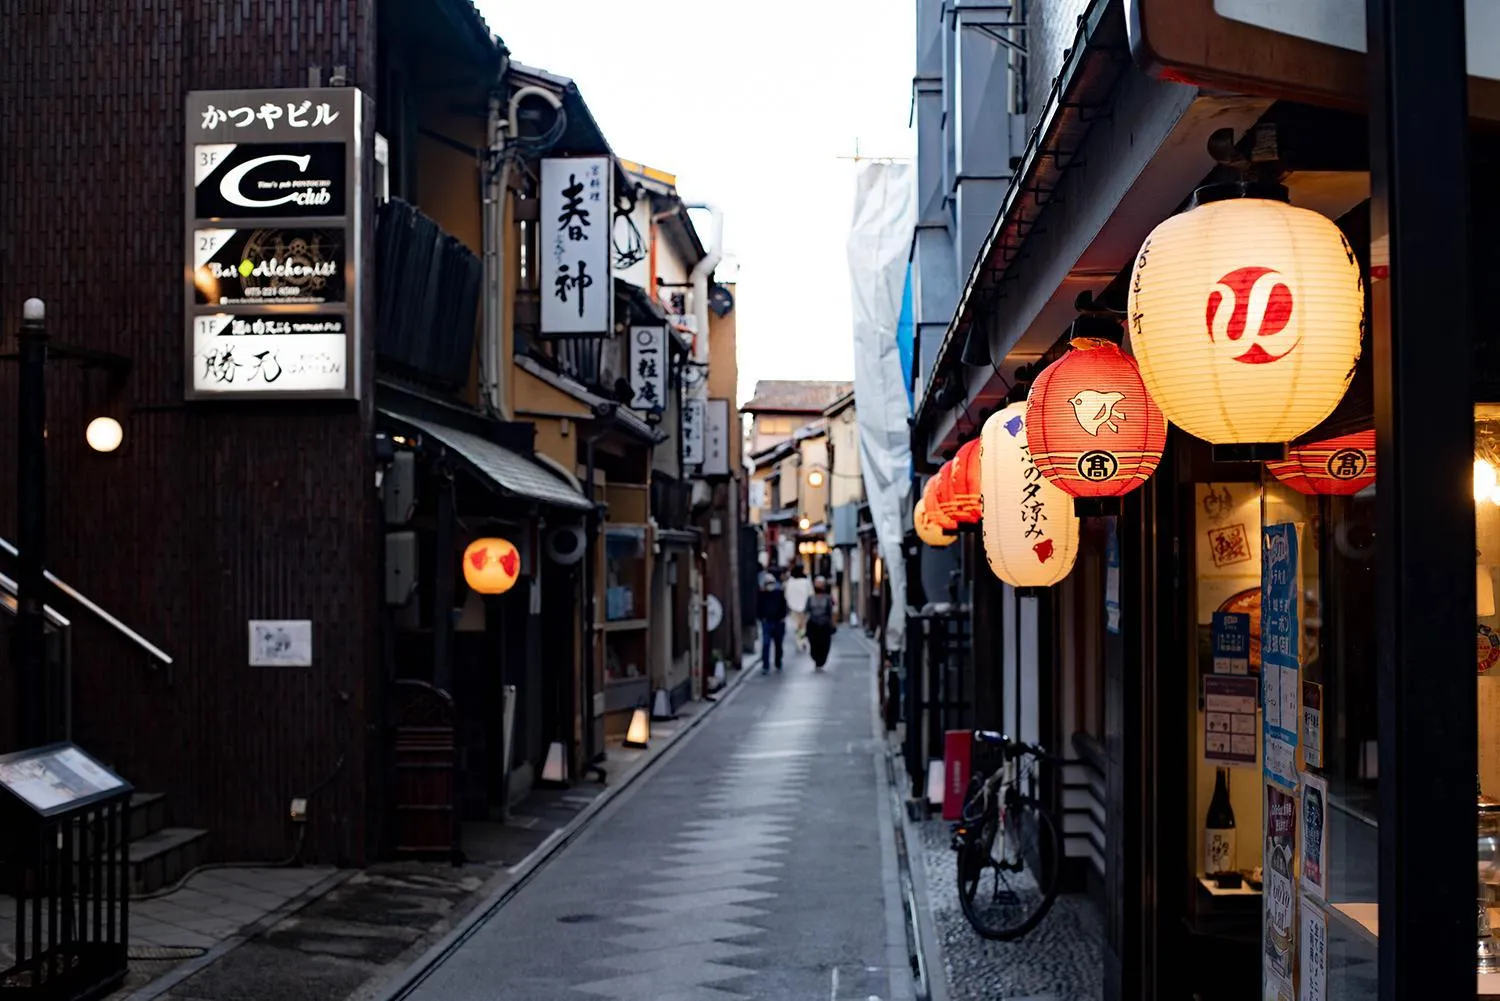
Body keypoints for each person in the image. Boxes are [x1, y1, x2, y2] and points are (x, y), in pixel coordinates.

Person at [756, 568, 788, 673]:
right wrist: (761, 617)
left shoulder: (779, 593)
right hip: (767, 621)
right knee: (766, 643)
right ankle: (766, 665)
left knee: (778, 644)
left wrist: (782, 617)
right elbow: (758, 607)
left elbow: (784, 606)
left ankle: (778, 661)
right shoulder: (762, 594)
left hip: (778, 621)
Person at [806, 575, 837, 670]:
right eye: (817, 584)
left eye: (820, 584)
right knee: (813, 643)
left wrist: (832, 623)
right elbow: (807, 610)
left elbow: (831, 612)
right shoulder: (810, 598)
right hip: (813, 624)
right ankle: (816, 658)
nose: (818, 586)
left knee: (824, 643)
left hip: (824, 625)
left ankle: (821, 660)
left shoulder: (828, 598)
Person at [784, 564, 813, 651]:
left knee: (797, 626)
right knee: (803, 626)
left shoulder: (790, 582)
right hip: (805, 608)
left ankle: (799, 641)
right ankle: (802, 641)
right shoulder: (806, 581)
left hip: (793, 608)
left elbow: (786, 595)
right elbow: (811, 594)